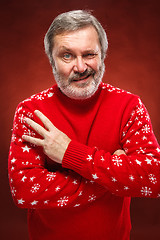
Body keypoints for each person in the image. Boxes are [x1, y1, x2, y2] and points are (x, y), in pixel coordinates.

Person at [8, 10, 160, 240]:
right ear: (52, 60)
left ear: (103, 55)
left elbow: (153, 177)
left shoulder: (129, 105)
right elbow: (24, 191)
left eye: (89, 54)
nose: (80, 67)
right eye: (67, 56)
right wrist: (112, 178)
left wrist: (70, 153)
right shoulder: (30, 111)